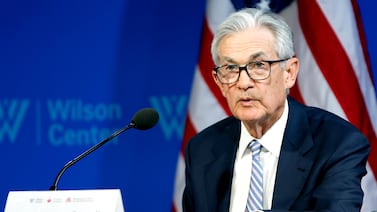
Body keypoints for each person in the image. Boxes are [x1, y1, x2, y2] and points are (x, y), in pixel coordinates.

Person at [182, 7, 370, 212]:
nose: (243, 82)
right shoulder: (202, 149)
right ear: (219, 82)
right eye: (230, 69)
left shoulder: (337, 143)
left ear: (289, 73)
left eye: (259, 65)